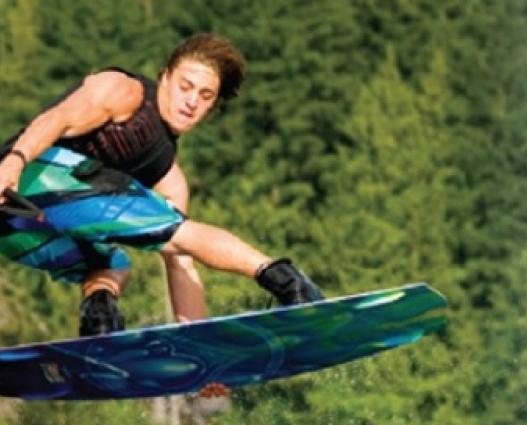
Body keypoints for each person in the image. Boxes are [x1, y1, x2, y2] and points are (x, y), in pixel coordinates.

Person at [0, 33, 322, 337]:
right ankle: (288, 283)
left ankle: (100, 322)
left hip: (15, 225)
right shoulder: (124, 90)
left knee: (114, 264)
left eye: (205, 96)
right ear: (165, 77)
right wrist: (14, 162)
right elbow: (56, 119)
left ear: (212, 108)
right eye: (185, 86)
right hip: (21, 180)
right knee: (173, 227)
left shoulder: (169, 177)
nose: (191, 102)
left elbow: (180, 258)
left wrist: (196, 344)